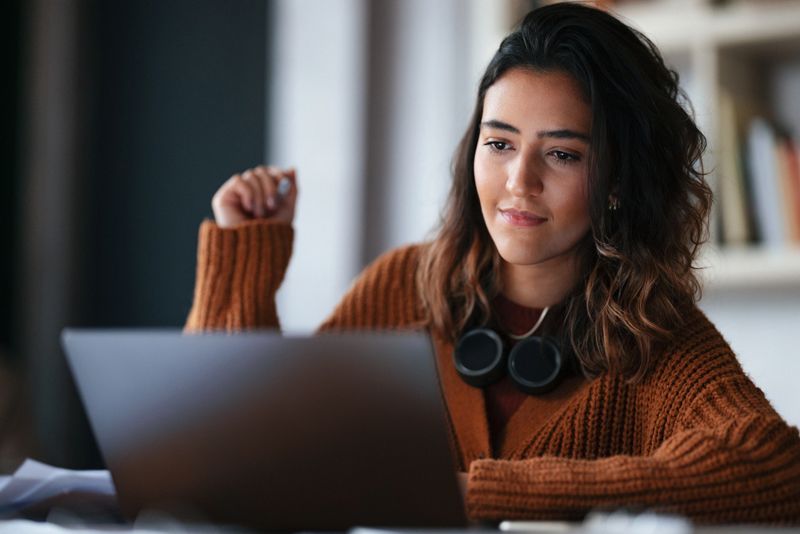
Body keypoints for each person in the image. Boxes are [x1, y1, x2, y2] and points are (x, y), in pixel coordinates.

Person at [185, 2, 800, 525]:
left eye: (561, 154)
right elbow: (232, 451)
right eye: (499, 143)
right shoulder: (405, 287)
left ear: (618, 181)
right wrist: (244, 259)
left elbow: (776, 464)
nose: (518, 182)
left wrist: (480, 495)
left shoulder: (655, 337)